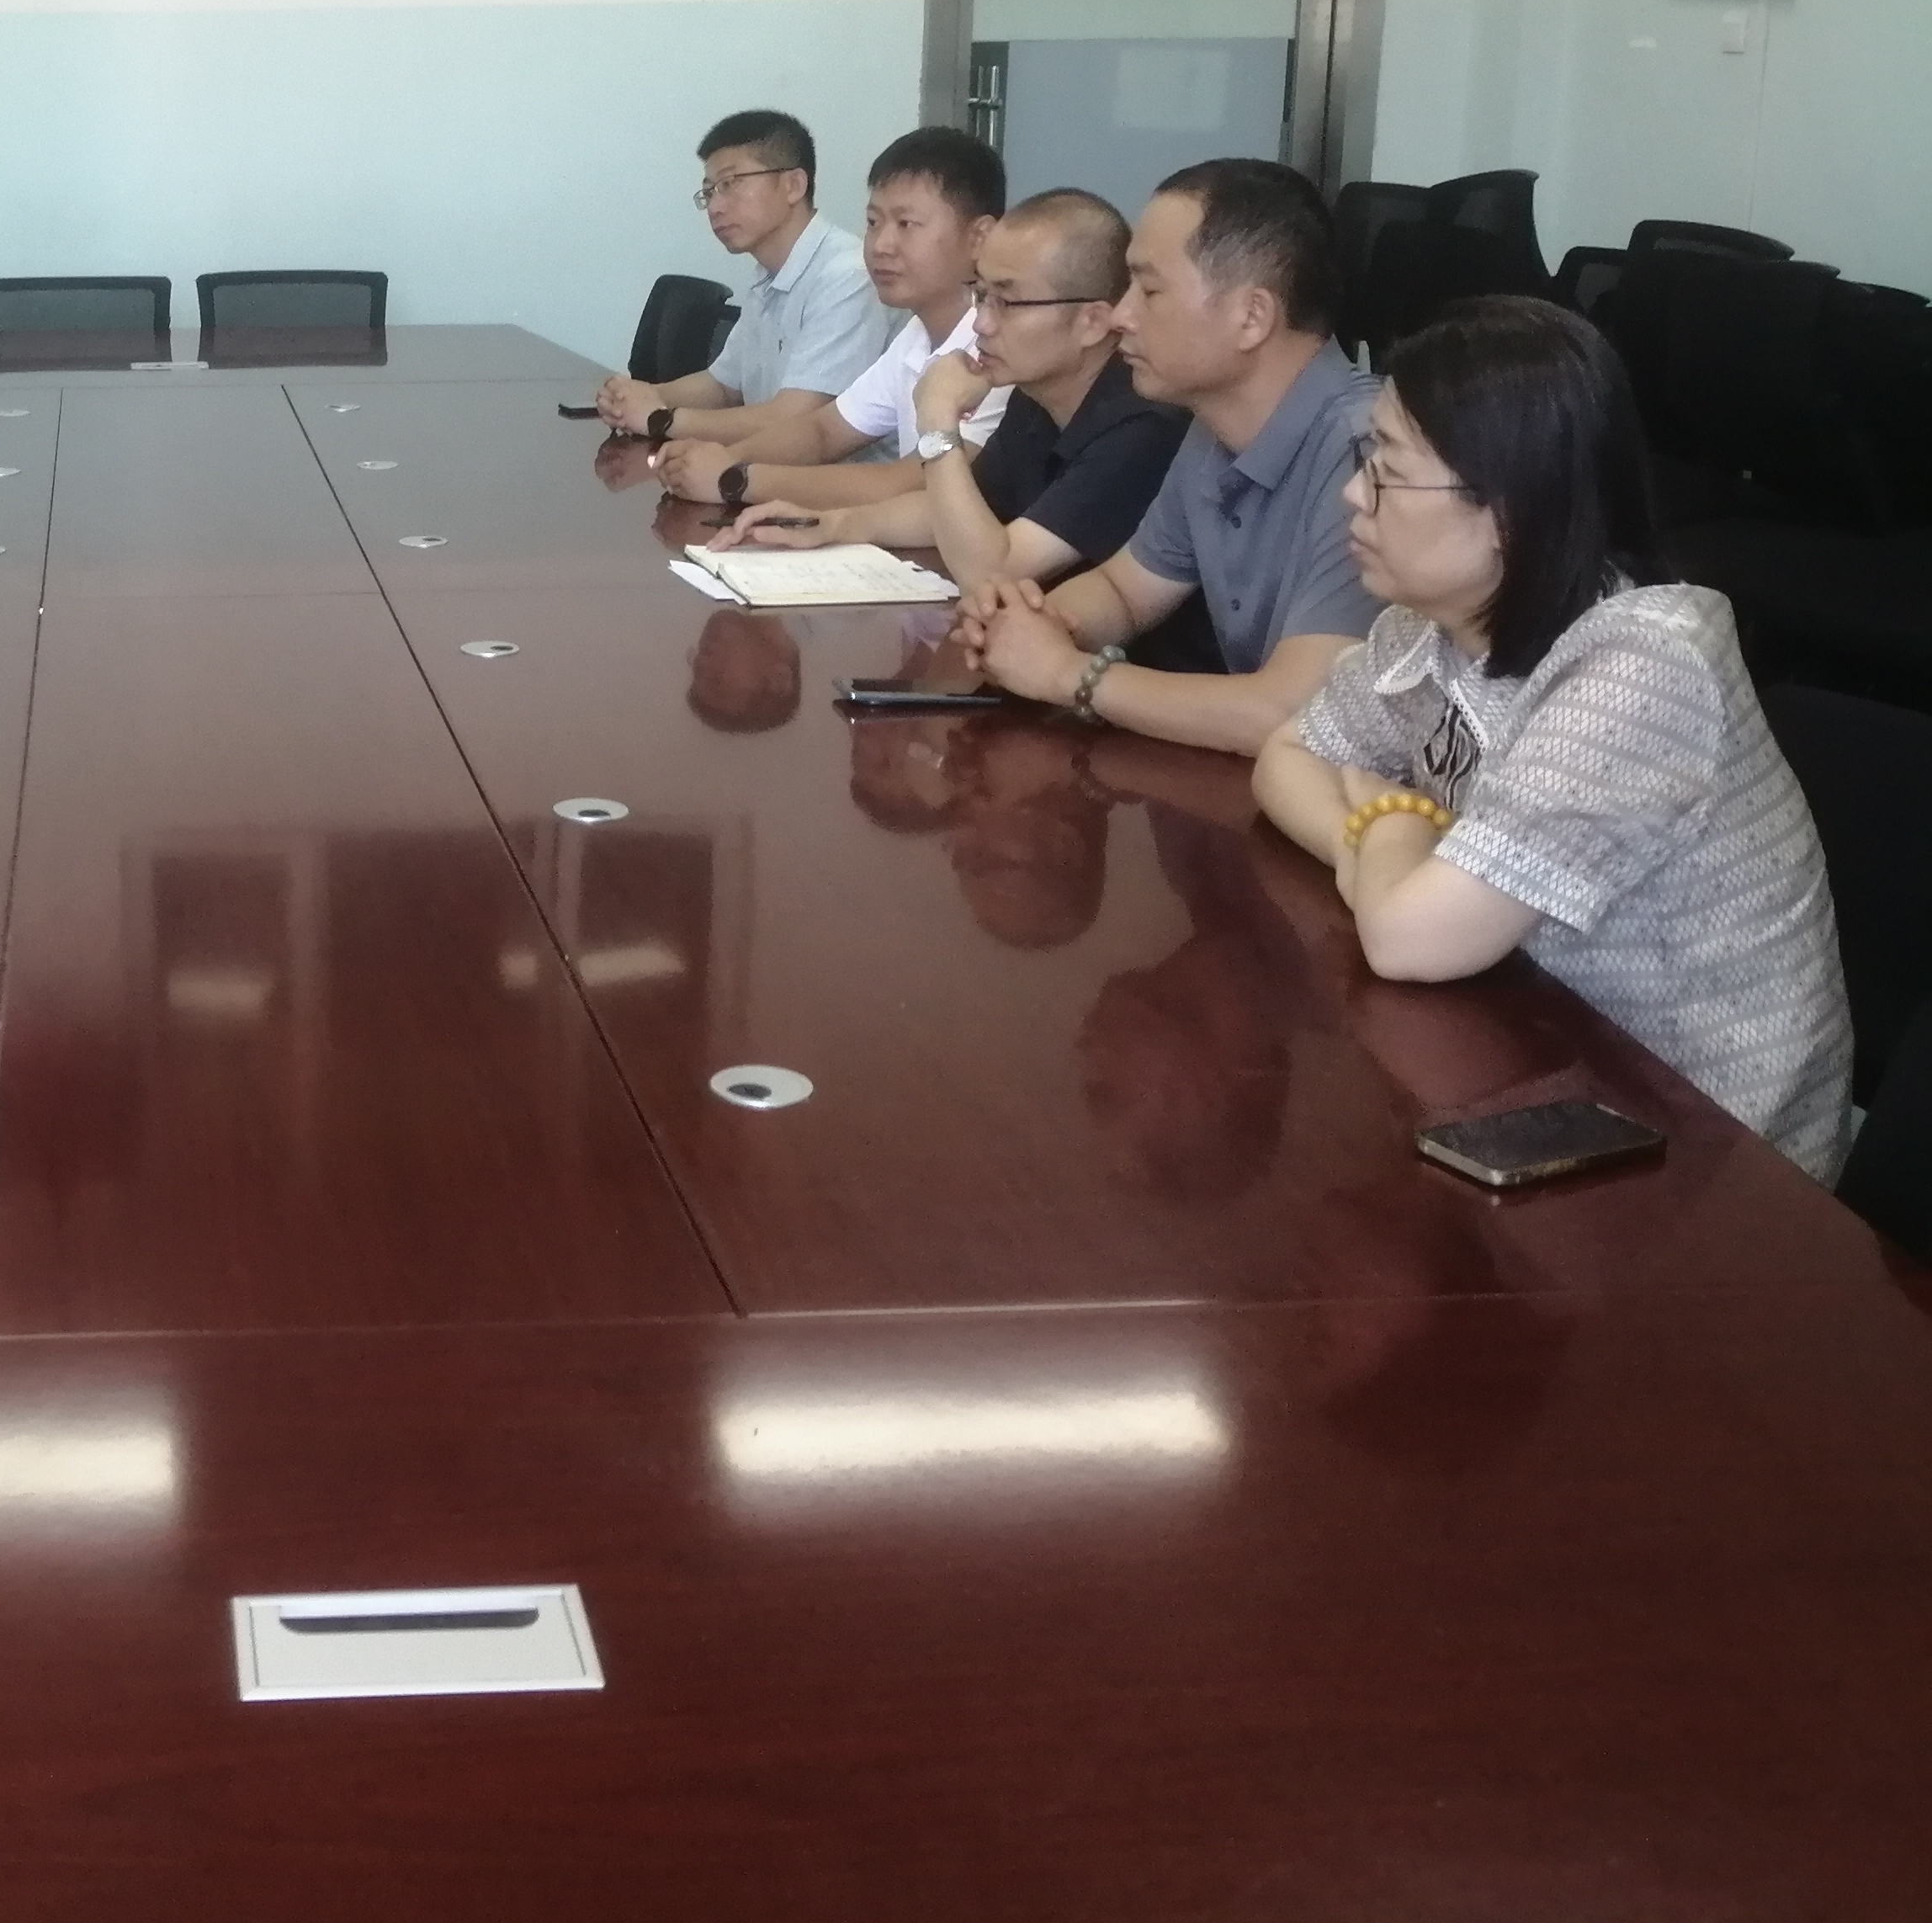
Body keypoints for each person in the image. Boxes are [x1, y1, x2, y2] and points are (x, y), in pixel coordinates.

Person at [1252, 296, 1851, 1179]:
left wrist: (1391, 819)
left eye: (1387, 467)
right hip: (1533, 1050)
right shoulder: (1432, 623)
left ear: (1506, 510)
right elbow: (1286, 757)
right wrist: (1375, 850)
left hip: (1708, 1161)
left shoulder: (1642, 667)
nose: (1353, 491)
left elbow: (1409, 941)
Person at [953, 157, 1379, 756]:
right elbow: (1125, 593)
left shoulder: (1371, 454)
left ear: (1252, 317)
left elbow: (1296, 714)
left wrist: (1067, 675)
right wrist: (1024, 622)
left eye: (1149, 290)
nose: (1121, 314)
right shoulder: (1212, 429)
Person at [707, 189, 1185, 595]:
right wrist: (833, 525)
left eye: (1007, 301)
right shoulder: (1036, 397)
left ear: (1092, 322)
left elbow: (993, 570)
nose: (982, 323)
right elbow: (956, 510)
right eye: (981, 295)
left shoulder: (1142, 425)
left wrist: (937, 419)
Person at [650, 127, 1012, 510]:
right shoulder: (917, 334)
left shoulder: (997, 346)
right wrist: (724, 459)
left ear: (979, 238)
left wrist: (734, 479)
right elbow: (823, 431)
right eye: (873, 223)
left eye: (906, 224)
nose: (881, 245)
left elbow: (908, 483)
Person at [593, 110, 890, 443]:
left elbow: (796, 419)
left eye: (730, 184)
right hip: (770, 463)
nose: (715, 207)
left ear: (794, 185)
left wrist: (661, 419)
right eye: (709, 192)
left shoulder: (847, 277)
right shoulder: (768, 275)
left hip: (835, 473)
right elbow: (723, 387)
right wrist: (640, 397)